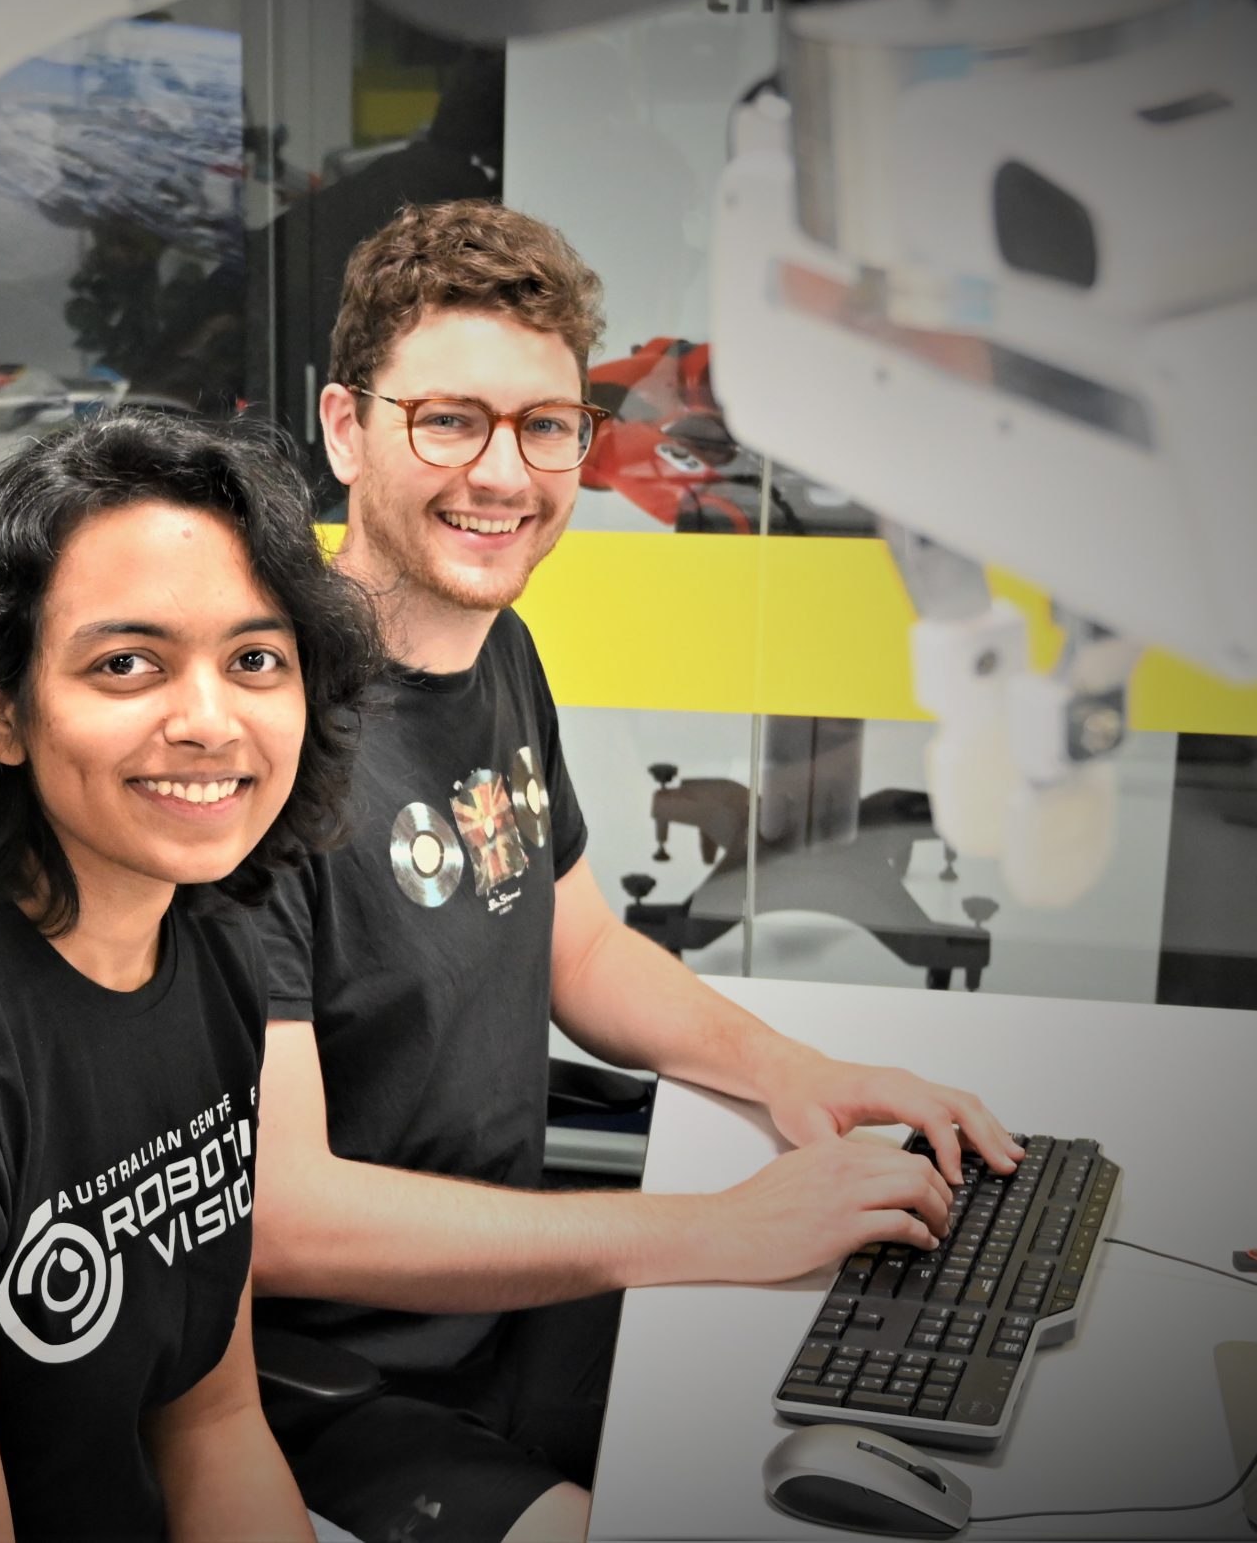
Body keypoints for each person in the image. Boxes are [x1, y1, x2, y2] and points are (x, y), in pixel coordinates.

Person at [249, 200, 1027, 1543]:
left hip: (513, 1299)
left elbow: (581, 946)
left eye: (546, 426)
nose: (505, 474)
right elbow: (287, 1212)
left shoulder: (497, 650)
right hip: (329, 1388)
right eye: (449, 418)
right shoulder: (256, 740)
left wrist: (800, 1074)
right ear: (343, 427)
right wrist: (708, 1226)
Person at [0, 412, 382, 1541]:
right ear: (0, 712)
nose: (209, 721)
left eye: (255, 659)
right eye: (127, 664)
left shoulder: (209, 931)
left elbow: (211, 1418)